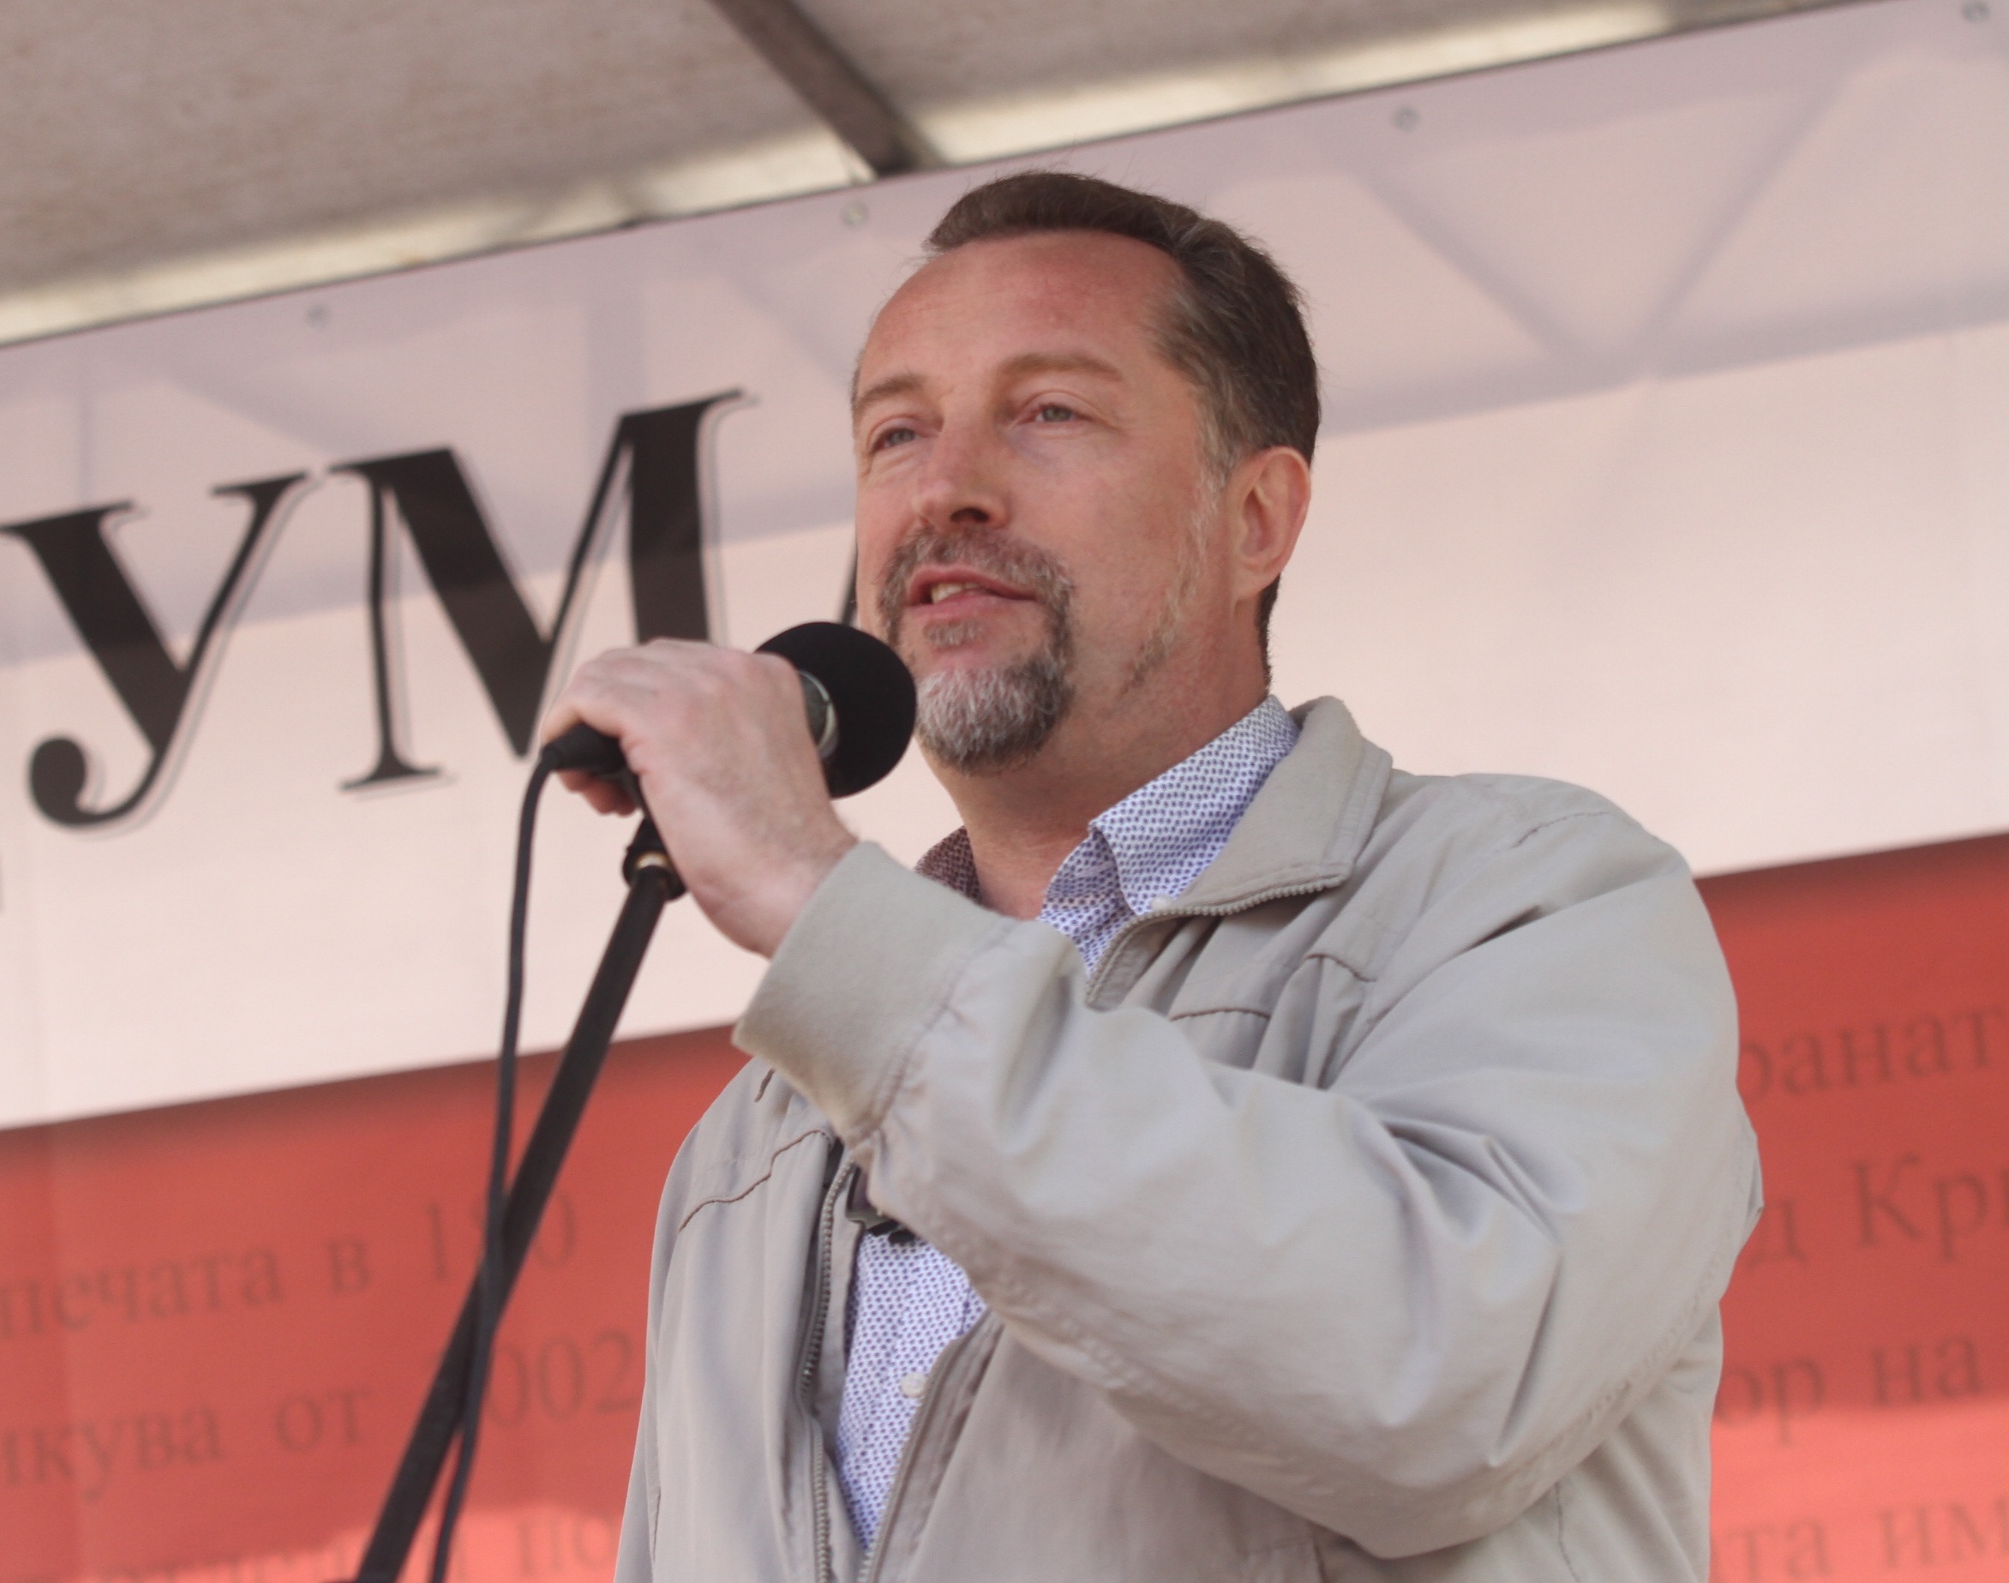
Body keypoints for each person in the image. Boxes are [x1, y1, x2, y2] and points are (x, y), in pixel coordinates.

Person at [543, 171, 1759, 1581]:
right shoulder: (753, 1143)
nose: (944, 488)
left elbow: (1438, 1383)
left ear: (1257, 519)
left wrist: (822, 911)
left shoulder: (1531, 902)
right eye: (896, 432)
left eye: (1050, 412)